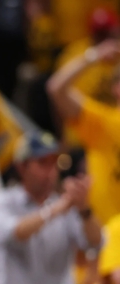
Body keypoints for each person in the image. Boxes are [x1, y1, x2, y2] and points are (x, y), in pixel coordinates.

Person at [0, 132, 102, 284]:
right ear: (22, 166)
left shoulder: (65, 204)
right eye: (43, 163)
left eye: (54, 163)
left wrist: (84, 209)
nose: (51, 171)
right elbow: (16, 232)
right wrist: (56, 209)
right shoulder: (1, 201)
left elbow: (95, 243)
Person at [47, 39, 120, 224]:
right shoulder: (104, 122)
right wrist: (94, 56)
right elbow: (56, 88)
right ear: (116, 89)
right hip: (107, 232)